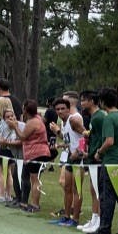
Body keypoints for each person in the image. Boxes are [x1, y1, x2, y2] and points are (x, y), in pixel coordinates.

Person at [88, 87, 118, 234]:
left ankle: (105, 228)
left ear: (102, 102)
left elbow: (109, 141)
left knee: (107, 195)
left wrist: (99, 152)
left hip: (111, 161)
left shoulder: (108, 118)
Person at [7, 99, 52, 212]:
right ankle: (29, 202)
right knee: (30, 178)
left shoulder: (32, 122)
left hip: (36, 153)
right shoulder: (37, 119)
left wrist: (15, 126)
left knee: (34, 179)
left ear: (26, 110)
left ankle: (35, 204)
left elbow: (22, 137)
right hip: (36, 152)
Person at [48, 96, 85, 226]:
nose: (60, 111)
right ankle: (66, 216)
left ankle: (75, 219)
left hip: (79, 159)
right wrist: (58, 132)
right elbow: (68, 139)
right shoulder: (63, 123)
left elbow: (85, 136)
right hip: (70, 157)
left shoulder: (74, 120)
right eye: (57, 109)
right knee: (67, 188)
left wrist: (80, 151)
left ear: (68, 109)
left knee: (77, 189)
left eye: (63, 108)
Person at [77, 90, 103, 233]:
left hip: (96, 158)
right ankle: (94, 218)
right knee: (93, 190)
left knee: (98, 190)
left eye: (84, 100)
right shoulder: (94, 117)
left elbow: (101, 138)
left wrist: (94, 153)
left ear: (92, 101)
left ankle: (99, 220)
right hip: (91, 157)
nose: (82, 103)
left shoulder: (98, 117)